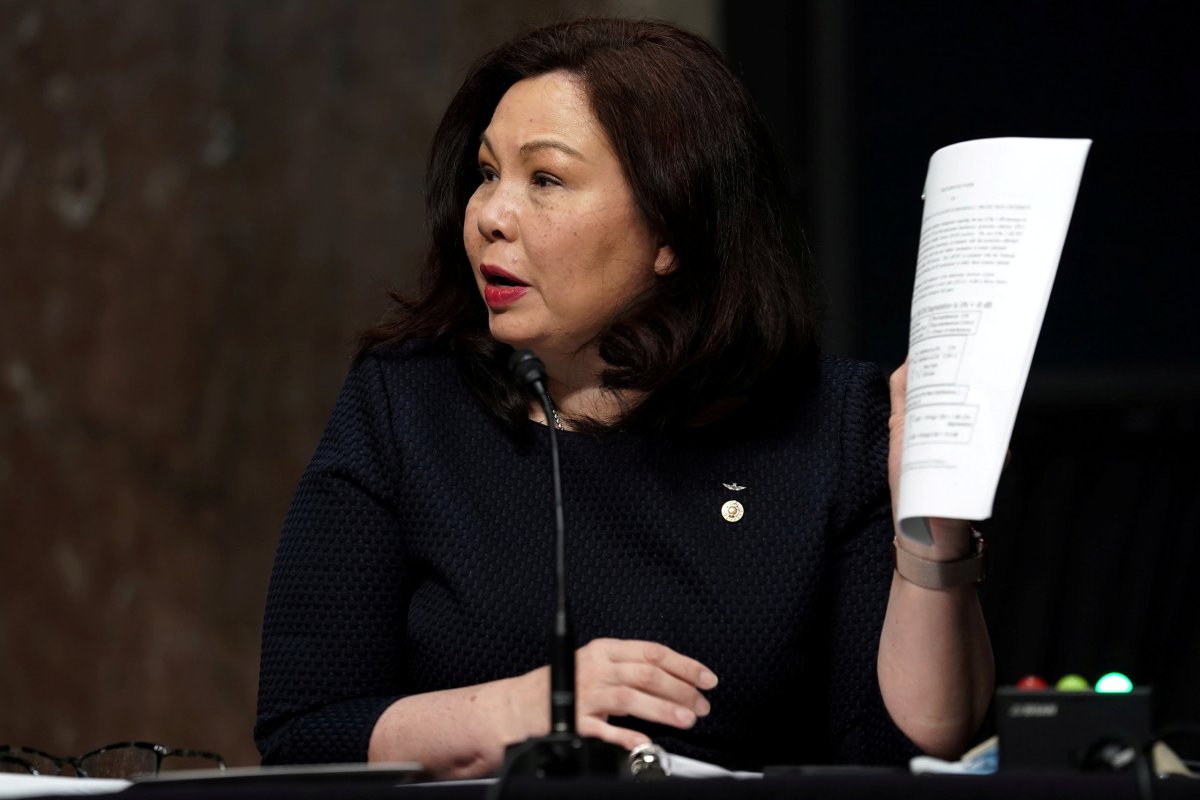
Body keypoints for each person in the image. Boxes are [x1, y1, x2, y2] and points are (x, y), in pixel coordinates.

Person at [255, 17, 993, 777]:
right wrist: (516, 711)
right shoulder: (407, 402)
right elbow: (304, 731)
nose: (489, 216)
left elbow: (913, 755)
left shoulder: (835, 425)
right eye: (486, 173)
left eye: (544, 180)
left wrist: (930, 534)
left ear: (673, 228)